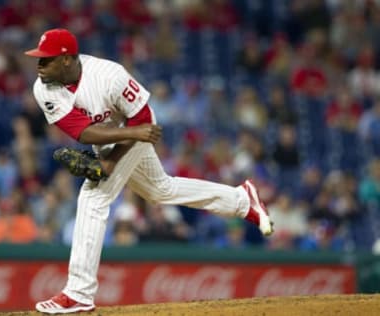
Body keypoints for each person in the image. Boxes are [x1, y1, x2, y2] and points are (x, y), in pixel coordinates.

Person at [25, 28, 273, 314]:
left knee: (93, 197)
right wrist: (109, 159)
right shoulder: (43, 88)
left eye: (47, 59)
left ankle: (79, 292)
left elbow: (144, 122)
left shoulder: (109, 75)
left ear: (67, 59)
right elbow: (82, 132)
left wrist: (114, 157)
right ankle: (242, 200)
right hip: (106, 138)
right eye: (39, 59)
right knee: (160, 190)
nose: (39, 65)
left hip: (138, 128)